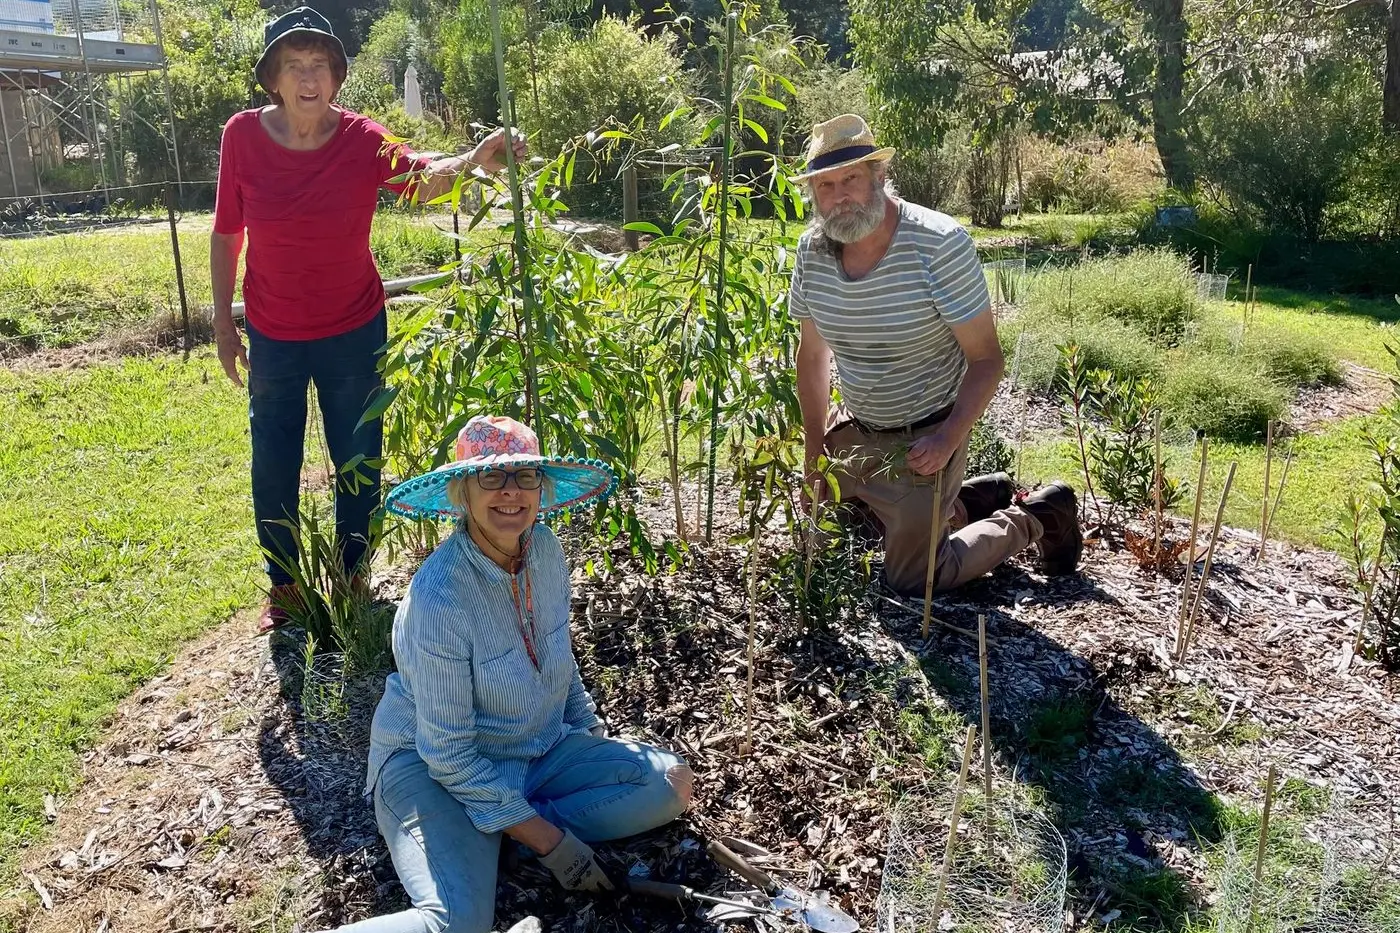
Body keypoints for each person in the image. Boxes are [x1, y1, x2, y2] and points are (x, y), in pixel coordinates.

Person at [209, 6, 527, 633]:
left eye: (320, 65)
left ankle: (354, 574)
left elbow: (420, 181)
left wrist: (474, 159)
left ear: (336, 75)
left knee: (358, 454)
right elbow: (226, 232)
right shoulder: (241, 136)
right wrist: (224, 322)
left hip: (354, 328)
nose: (308, 78)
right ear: (273, 77)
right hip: (273, 330)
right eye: (294, 66)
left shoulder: (360, 138)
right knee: (273, 457)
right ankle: (286, 586)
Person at [329, 415, 693, 933]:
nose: (510, 492)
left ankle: (505, 834)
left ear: (542, 489)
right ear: (461, 492)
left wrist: (590, 739)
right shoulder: (439, 598)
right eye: (491, 478)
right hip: (433, 769)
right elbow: (448, 754)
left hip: (536, 749)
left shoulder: (544, 550)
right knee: (455, 923)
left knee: (669, 783)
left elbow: (559, 658)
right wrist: (555, 844)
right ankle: (506, 833)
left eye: (525, 477)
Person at [790, 114, 1083, 596]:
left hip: (927, 433)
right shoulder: (813, 253)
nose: (839, 195)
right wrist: (815, 449)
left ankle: (1035, 515)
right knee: (839, 537)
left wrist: (948, 438)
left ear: (879, 177)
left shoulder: (938, 244)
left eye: (851, 179)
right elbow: (813, 356)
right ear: (814, 195)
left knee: (914, 578)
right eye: (825, 186)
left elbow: (988, 360)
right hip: (860, 428)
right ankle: (969, 500)